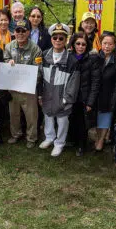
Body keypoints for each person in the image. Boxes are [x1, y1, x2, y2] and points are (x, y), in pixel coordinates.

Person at [38, 24, 79, 157]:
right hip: (47, 93)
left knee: (62, 120)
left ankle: (59, 143)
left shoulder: (72, 60)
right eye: (55, 37)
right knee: (48, 116)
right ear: (51, 39)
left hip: (62, 94)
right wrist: (39, 94)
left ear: (66, 40)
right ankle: (49, 137)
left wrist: (67, 98)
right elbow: (39, 75)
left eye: (61, 38)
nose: (57, 40)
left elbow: (74, 81)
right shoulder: (44, 56)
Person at [4, 20, 42, 147]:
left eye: (23, 31)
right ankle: (15, 134)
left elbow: (39, 70)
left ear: (28, 32)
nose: (20, 33)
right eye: (17, 30)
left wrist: (28, 82)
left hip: (28, 88)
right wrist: (8, 62)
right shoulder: (9, 47)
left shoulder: (35, 49)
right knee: (13, 113)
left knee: (31, 115)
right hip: (13, 87)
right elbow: (4, 62)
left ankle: (31, 138)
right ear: (14, 32)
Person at [67, 32, 100, 156]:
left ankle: (82, 145)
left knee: (82, 123)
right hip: (71, 96)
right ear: (73, 44)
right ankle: (72, 141)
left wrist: (90, 101)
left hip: (84, 97)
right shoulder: (69, 56)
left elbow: (96, 82)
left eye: (83, 44)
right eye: (78, 44)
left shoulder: (92, 59)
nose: (80, 47)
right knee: (72, 119)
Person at [94, 32, 116, 152]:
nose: (107, 46)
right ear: (101, 43)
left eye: (110, 44)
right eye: (105, 43)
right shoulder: (97, 56)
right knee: (98, 117)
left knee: (105, 117)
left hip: (109, 93)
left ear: (114, 45)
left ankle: (102, 139)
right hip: (97, 92)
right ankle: (98, 136)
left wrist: (114, 98)